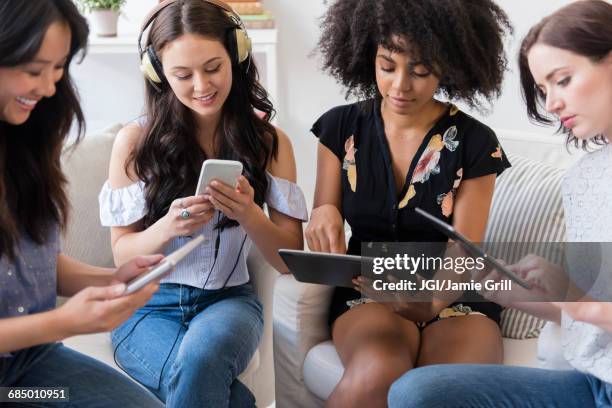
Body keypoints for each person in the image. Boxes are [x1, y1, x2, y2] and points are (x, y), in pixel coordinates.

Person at [388, 1, 612, 407]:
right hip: (596, 385)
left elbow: (592, 309)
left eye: (563, 80)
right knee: (417, 391)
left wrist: (574, 299)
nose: (552, 104)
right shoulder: (585, 179)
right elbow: (584, 320)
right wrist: (522, 292)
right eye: (543, 90)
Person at [304, 0, 513, 406]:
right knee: (377, 373)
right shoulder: (338, 128)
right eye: (387, 66)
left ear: (449, 65)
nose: (401, 85)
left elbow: (464, 250)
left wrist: (431, 303)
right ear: (368, 56)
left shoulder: (476, 142)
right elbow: (323, 212)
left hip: (455, 293)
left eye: (420, 71)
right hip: (371, 286)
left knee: (442, 390)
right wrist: (322, 210)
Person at [100, 1, 307, 407]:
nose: (201, 85)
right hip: (143, 308)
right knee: (218, 390)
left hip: (228, 302)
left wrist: (249, 214)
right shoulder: (134, 143)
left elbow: (289, 259)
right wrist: (168, 227)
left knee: (200, 357)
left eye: (213, 67)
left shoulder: (270, 142)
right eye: (182, 74)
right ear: (158, 74)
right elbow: (122, 253)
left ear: (237, 54)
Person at [0, 1, 164, 407]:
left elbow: (32, 264)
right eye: (35, 70)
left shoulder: (21, 146)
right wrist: (64, 322)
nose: (50, 88)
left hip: (24, 371)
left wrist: (113, 280)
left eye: (59, 69)